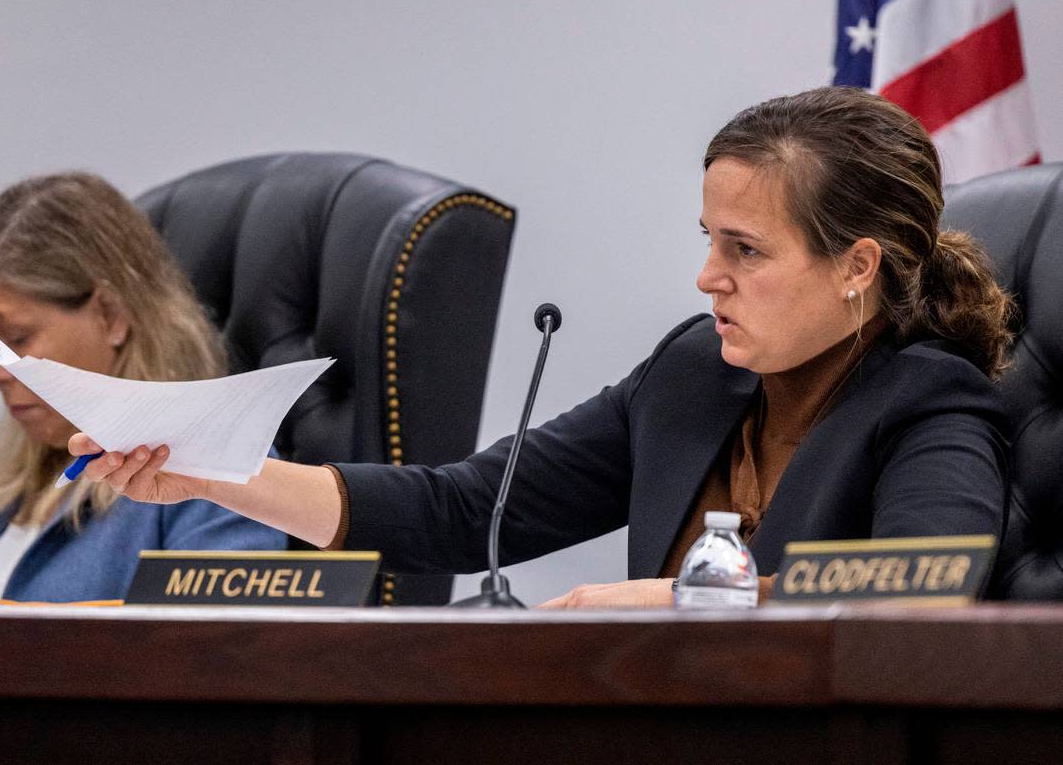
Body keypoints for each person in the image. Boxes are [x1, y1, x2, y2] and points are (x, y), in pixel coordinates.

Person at [71, 87, 1014, 607]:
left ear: (857, 264)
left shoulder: (930, 400)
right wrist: (209, 474)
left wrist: (671, 602)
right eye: (708, 240)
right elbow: (461, 509)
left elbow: (926, 582)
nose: (708, 278)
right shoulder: (692, 374)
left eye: (747, 250)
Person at [0, 172, 287, 604]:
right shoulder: (17, 486)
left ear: (111, 315)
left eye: (16, 340)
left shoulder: (218, 469)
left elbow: (222, 660)